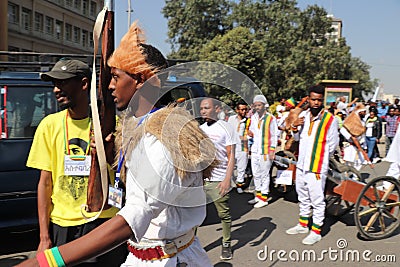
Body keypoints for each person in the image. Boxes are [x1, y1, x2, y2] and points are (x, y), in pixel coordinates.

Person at [18, 22, 215, 267]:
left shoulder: (166, 137)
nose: (110, 86)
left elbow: (135, 215)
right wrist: (110, 157)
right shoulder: (138, 130)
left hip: (172, 259)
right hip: (140, 256)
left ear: (142, 80)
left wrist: (43, 262)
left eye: (115, 77)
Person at [25, 58, 127, 266]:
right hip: (62, 226)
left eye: (62, 83)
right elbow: (45, 183)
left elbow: (125, 175)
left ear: (83, 84)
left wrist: (108, 153)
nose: (55, 89)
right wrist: (45, 238)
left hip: (103, 222)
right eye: (54, 84)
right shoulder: (49, 125)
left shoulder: (112, 124)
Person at [286, 85, 339, 245]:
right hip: (302, 163)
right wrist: (295, 126)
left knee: (317, 198)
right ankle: (303, 224)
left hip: (317, 165)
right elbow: (296, 138)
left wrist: (321, 159)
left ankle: (316, 230)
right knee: (302, 194)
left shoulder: (330, 119)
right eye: (313, 99)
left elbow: (332, 144)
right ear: (308, 99)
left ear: (322, 100)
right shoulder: (303, 115)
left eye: (319, 100)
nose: (316, 103)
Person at [200, 97, 236, 260]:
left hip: (219, 179)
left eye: (206, 108)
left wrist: (227, 179)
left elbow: (231, 155)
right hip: (201, 180)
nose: (203, 111)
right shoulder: (200, 129)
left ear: (217, 109)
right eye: (201, 108)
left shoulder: (226, 128)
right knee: (195, 214)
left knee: (223, 214)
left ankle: (226, 243)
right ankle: (190, 246)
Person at [247, 95, 278, 208]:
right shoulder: (253, 117)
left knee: (264, 174)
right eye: (256, 105)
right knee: (256, 174)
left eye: (259, 105)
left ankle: (264, 197)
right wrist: (250, 134)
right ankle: (258, 195)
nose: (257, 107)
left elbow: (275, 135)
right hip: (255, 150)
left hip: (266, 150)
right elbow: (252, 131)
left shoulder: (271, 118)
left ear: (264, 106)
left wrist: (272, 150)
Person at [227, 100, 250, 193]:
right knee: (229, 166)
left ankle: (239, 185)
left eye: (245, 109)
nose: (244, 112)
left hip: (243, 147)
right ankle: (229, 182)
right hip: (232, 147)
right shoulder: (231, 119)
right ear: (237, 110)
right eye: (242, 110)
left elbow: (251, 134)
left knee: (241, 167)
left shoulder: (248, 121)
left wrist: (246, 138)